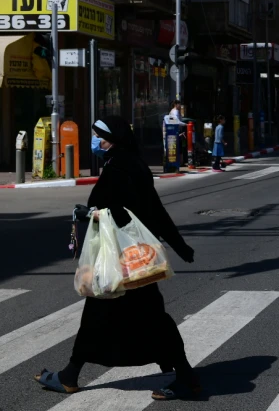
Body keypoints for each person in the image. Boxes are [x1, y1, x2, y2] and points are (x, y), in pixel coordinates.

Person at [36, 117, 198, 401]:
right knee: (109, 316)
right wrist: (178, 244)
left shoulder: (123, 166)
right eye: (96, 135)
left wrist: (95, 212)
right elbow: (149, 208)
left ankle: (186, 377)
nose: (97, 141)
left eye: (102, 137)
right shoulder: (125, 161)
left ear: (116, 139)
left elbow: (136, 210)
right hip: (125, 258)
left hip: (126, 259)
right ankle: (70, 374)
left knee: (146, 319)